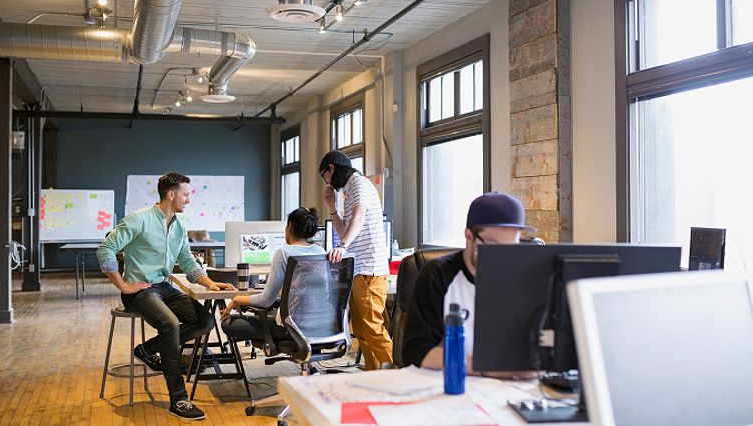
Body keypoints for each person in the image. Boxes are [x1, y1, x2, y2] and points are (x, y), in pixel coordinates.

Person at [97, 172, 235, 420]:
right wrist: (123, 286)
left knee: (205, 321)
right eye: (186, 194)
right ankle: (179, 400)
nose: (188, 200)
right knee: (170, 325)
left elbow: (188, 263)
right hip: (140, 290)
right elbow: (106, 249)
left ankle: (148, 349)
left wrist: (210, 282)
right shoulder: (138, 219)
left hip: (165, 287)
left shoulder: (179, 227)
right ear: (171, 194)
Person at [401, 192, 536, 372]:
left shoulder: (521, 279)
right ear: (469, 236)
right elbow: (415, 351)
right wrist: (487, 368)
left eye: (510, 247)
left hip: (508, 389)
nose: (501, 257)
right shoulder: (438, 275)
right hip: (451, 386)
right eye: (492, 246)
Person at [319, 151, 392, 370]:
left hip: (370, 268)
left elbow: (359, 218)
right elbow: (344, 232)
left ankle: (397, 377)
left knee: (373, 328)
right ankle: (374, 374)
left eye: (325, 177)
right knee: (361, 330)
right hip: (359, 269)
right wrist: (332, 207)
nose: (328, 183)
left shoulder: (359, 183)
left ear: (332, 169)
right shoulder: (348, 192)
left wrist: (342, 247)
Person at [220, 207, 326, 337]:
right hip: (321, 326)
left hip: (292, 329)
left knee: (227, 323)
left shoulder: (284, 253)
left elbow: (265, 300)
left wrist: (237, 300)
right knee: (271, 311)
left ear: (290, 226)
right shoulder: (321, 251)